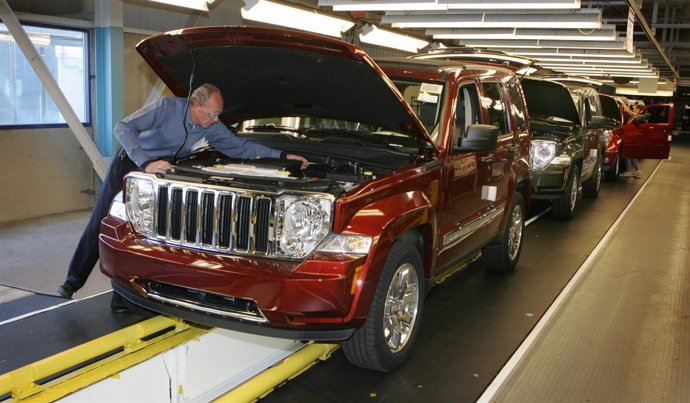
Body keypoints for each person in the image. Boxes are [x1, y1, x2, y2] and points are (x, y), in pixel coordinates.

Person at [57, 83, 308, 311]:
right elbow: (122, 127)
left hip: (163, 171)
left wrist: (283, 157)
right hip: (133, 162)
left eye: (218, 114)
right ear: (195, 104)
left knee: (146, 233)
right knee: (105, 221)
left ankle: (124, 295)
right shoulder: (167, 108)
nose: (215, 119)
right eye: (211, 113)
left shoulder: (211, 126)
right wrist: (146, 162)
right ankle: (72, 281)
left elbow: (241, 147)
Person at [620, 103, 643, 178]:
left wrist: (622, 102)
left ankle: (628, 171)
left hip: (631, 138)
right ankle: (637, 171)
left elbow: (627, 110)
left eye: (635, 107)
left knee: (628, 154)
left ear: (638, 109)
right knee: (632, 155)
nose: (633, 108)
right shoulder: (637, 116)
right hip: (633, 137)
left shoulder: (636, 115)